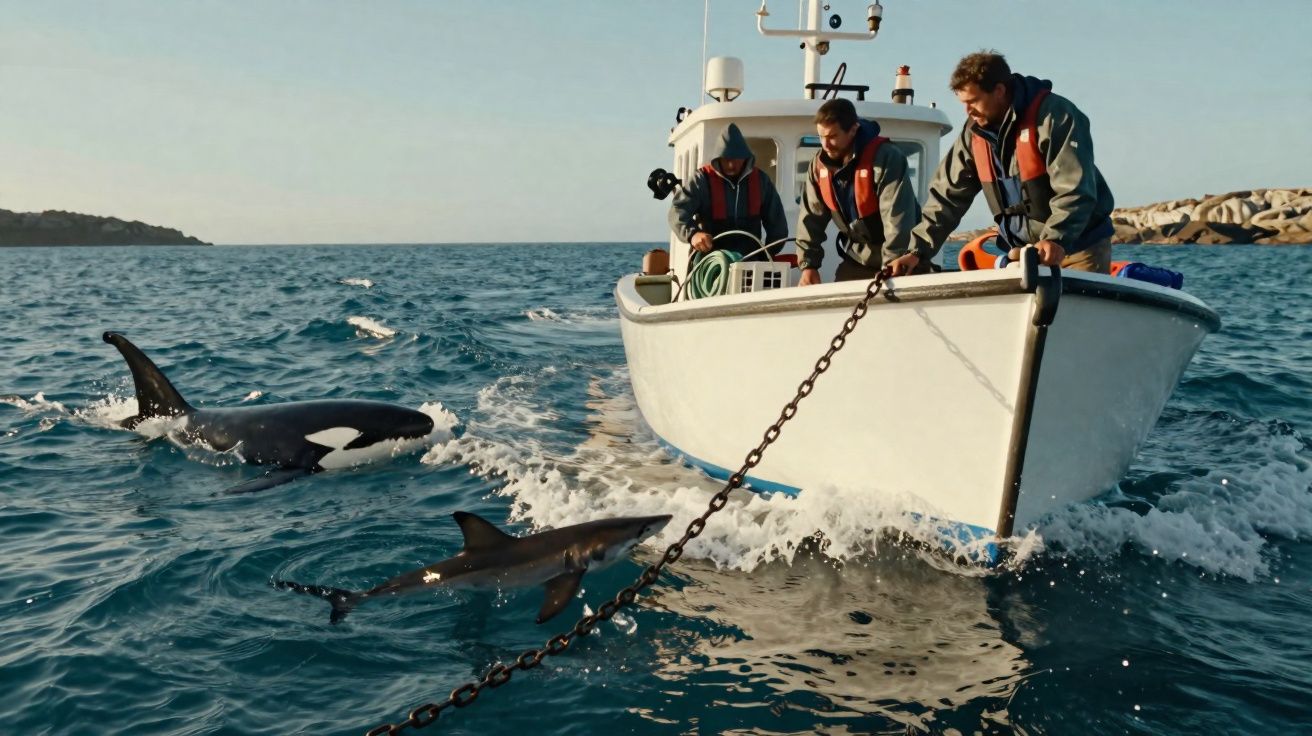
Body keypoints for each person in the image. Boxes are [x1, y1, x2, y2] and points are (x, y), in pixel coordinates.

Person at [891, 51, 1116, 275]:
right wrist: (917, 252)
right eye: (963, 103)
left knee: (1074, 309)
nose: (967, 111)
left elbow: (1075, 188)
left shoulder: (1055, 116)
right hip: (1022, 255)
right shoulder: (974, 133)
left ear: (999, 91)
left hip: (1079, 250)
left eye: (973, 101)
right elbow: (946, 197)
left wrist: (1056, 238)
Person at [795, 97, 925, 284]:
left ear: (853, 130)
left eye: (832, 136)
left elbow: (897, 216)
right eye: (821, 137)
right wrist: (809, 265)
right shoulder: (818, 167)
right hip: (858, 258)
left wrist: (892, 264)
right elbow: (810, 218)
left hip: (902, 258)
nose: (826, 145)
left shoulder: (886, 157)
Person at [668, 123, 788, 261]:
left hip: (750, 261)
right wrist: (693, 235)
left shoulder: (761, 181)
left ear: (745, 157)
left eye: (736, 159)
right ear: (718, 158)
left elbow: (778, 227)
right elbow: (677, 212)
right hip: (709, 262)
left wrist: (767, 255)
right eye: (727, 159)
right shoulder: (701, 179)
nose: (731, 165)